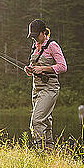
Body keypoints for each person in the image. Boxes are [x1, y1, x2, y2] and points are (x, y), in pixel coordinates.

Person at [24, 19, 67, 149]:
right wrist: (30, 69)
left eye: (36, 36)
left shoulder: (53, 45)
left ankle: (40, 152)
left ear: (44, 32)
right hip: (36, 88)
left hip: (50, 88)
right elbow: (35, 65)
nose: (35, 39)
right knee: (46, 121)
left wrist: (43, 69)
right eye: (32, 36)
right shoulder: (35, 46)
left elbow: (63, 67)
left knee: (37, 121)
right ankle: (49, 153)